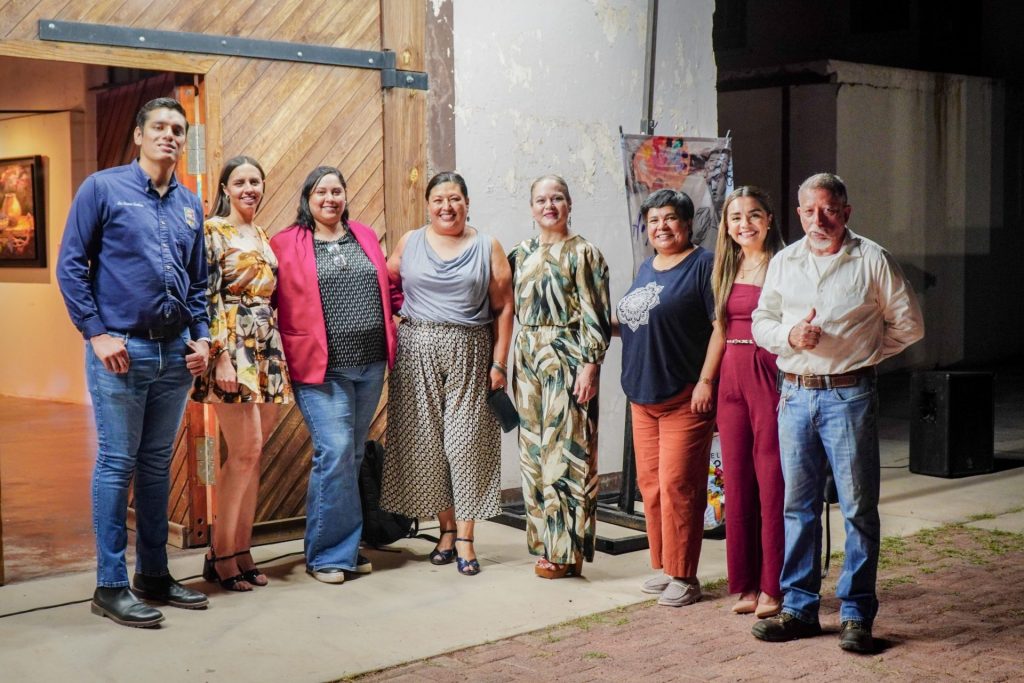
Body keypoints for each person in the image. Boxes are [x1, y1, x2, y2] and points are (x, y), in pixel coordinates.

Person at [751, 173, 924, 653]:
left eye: (828, 210)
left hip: (849, 397)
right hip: (794, 395)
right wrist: (790, 336)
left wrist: (860, 353)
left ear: (846, 212)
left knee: (857, 508)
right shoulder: (785, 261)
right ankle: (799, 609)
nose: (818, 219)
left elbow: (909, 325)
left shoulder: (871, 259)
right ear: (798, 214)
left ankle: (856, 614)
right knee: (798, 507)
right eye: (809, 211)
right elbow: (762, 320)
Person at [57, 97, 211, 628]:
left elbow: (198, 283)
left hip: (175, 355)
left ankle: (154, 575)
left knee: (154, 466)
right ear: (139, 136)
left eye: (177, 129)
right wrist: (96, 334)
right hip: (121, 351)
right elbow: (70, 266)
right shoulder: (102, 189)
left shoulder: (189, 204)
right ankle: (109, 585)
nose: (169, 135)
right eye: (159, 127)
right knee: (116, 463)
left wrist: (202, 339)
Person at [270, 166, 401, 584]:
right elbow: (265, 297)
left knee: (353, 454)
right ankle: (327, 555)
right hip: (320, 367)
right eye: (321, 192)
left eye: (337, 191)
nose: (330, 198)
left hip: (370, 363)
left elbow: (389, 287)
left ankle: (345, 547)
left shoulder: (364, 235)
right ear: (307, 198)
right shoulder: (286, 243)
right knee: (337, 450)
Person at [380, 171, 514, 576]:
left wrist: (499, 362)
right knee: (428, 446)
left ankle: (468, 539)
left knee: (465, 444)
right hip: (415, 351)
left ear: (467, 203)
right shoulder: (410, 242)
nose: (447, 206)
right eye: (438, 199)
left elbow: (504, 307)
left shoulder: (487, 246)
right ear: (428, 205)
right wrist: (400, 318)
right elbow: (385, 281)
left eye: (454, 198)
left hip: (470, 349)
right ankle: (447, 531)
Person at [615, 188, 723, 607]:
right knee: (652, 487)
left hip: (684, 395)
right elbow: (639, 318)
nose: (661, 227)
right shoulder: (647, 267)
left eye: (670, 218)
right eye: (654, 220)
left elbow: (721, 326)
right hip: (642, 394)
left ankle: (686, 575)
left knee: (679, 485)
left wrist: (706, 380)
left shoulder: (703, 265)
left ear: (687, 223)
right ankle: (666, 565)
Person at [191, 156, 292, 591]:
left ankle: (243, 549)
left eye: (255, 181)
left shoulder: (262, 234)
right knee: (244, 451)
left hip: (266, 346)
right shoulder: (214, 231)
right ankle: (220, 554)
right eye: (240, 182)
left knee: (254, 455)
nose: (249, 188)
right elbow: (206, 295)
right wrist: (220, 356)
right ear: (225, 189)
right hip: (232, 347)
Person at [509, 175, 611, 579]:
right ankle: (544, 543)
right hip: (527, 357)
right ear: (531, 207)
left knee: (566, 450)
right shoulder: (521, 253)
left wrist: (591, 364)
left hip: (567, 355)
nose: (549, 205)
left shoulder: (584, 253)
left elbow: (595, 313)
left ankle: (567, 550)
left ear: (569, 204)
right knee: (533, 452)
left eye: (557, 198)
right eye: (541, 199)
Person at [710, 187, 786, 618]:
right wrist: (706, 380)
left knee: (772, 481)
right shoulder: (726, 265)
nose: (745, 224)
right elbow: (720, 329)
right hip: (730, 377)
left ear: (769, 219)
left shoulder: (784, 264)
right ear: (726, 225)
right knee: (736, 483)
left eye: (754, 215)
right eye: (736, 217)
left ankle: (774, 585)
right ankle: (746, 583)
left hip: (767, 372)